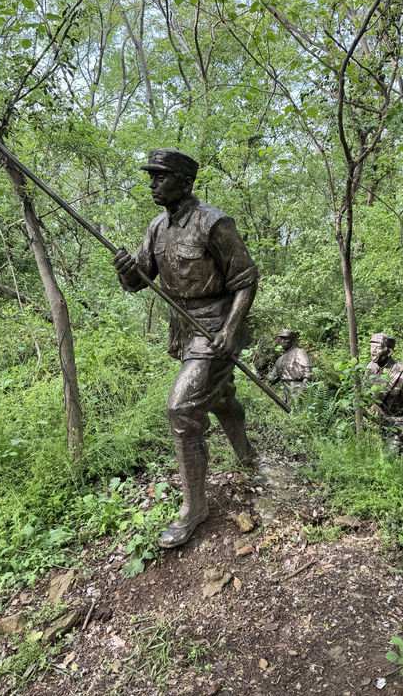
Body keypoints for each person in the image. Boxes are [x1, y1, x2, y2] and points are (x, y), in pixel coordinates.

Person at [113, 148, 259, 548]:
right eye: (151, 175)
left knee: (181, 407)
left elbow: (246, 279)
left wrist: (230, 331)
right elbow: (138, 282)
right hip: (183, 328)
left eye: (161, 176)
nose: (152, 183)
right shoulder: (157, 228)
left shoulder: (214, 223)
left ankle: (194, 508)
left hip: (214, 326)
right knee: (219, 395)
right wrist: (128, 272)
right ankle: (247, 455)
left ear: (185, 181)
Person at [268, 329, 312, 395]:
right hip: (285, 393)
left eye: (286, 338)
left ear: (292, 340)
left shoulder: (299, 352)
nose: (283, 341)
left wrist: (301, 392)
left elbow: (308, 374)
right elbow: (271, 379)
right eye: (281, 339)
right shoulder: (280, 359)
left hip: (298, 389)